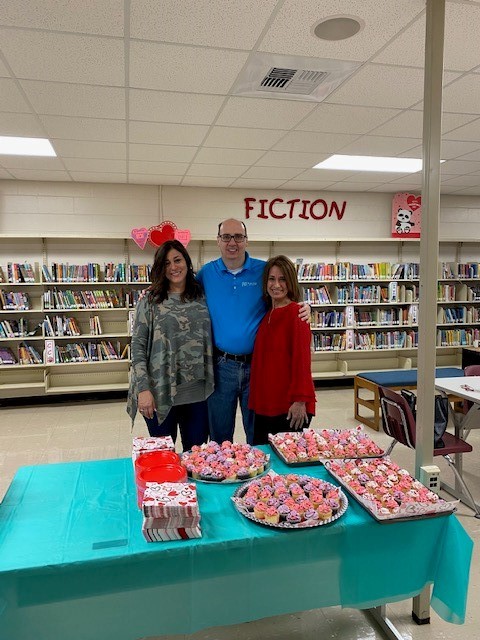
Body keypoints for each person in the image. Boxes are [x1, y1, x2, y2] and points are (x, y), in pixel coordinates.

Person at [197, 219, 310, 445]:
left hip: (258, 368)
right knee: (219, 437)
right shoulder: (206, 273)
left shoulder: (263, 270)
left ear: (246, 240)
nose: (232, 242)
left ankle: (257, 478)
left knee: (258, 435)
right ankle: (222, 476)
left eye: (238, 237)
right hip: (222, 367)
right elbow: (180, 290)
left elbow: (285, 290)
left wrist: (306, 306)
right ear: (218, 241)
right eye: (226, 237)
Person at [127, 239, 214, 452]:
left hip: (197, 394)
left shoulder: (202, 295)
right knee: (164, 456)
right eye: (166, 263)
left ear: (187, 261)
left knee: (196, 457)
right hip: (159, 392)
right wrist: (143, 390)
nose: (173, 267)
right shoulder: (150, 300)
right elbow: (137, 346)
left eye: (177, 260)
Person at [248, 255, 316, 445]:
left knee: (284, 464)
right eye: (271, 279)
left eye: (282, 279)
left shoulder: (297, 314)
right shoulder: (268, 313)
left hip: (288, 405)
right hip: (266, 401)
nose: (276, 285)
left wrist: (300, 400)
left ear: (291, 282)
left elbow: (302, 361)